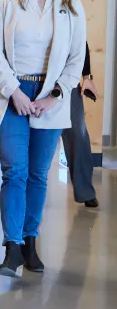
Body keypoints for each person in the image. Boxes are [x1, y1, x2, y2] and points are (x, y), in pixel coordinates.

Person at [0, 0, 86, 277]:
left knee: (37, 175)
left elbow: (76, 59)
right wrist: (14, 91)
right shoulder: (5, 2)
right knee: (14, 171)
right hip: (12, 93)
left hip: (50, 98)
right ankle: (12, 247)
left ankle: (30, 241)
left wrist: (53, 95)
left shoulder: (71, 6)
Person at [61, 42, 98, 208]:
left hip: (70, 80)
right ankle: (29, 192)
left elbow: (81, 43)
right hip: (38, 79)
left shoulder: (73, 22)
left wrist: (86, 77)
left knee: (78, 134)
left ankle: (85, 192)